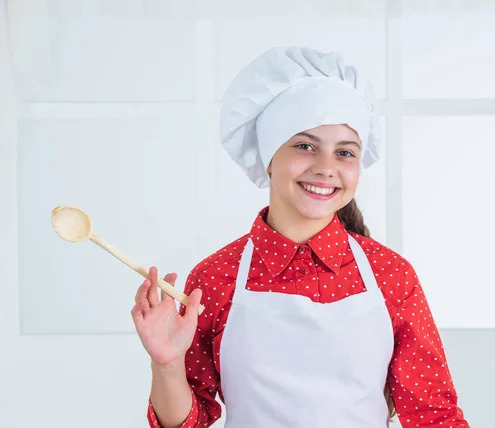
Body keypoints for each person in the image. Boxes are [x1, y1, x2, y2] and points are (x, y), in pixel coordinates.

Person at [132, 46, 470, 428]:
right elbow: (188, 423)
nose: (326, 168)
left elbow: (433, 415)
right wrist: (167, 363)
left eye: (345, 152)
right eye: (305, 146)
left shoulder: (391, 275)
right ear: (268, 156)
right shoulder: (213, 278)